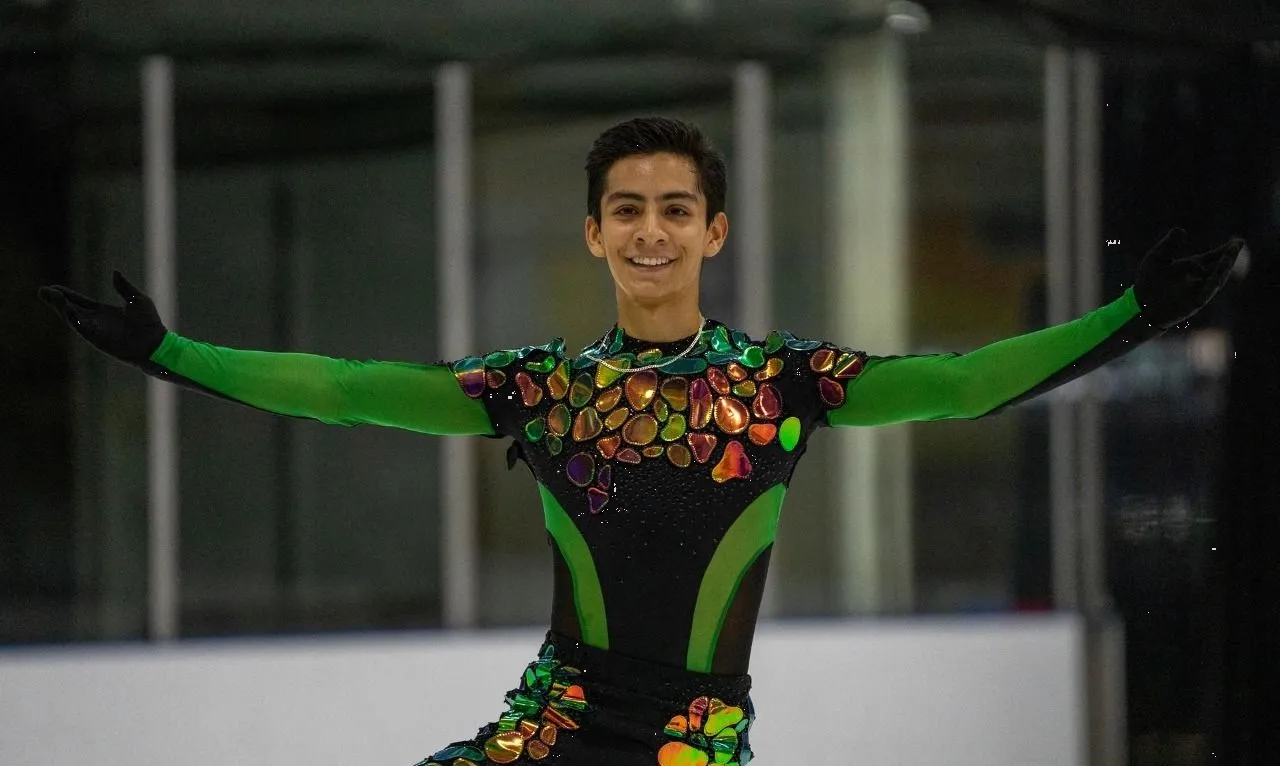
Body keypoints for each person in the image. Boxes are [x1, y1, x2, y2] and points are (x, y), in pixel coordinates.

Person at [40, 116, 1243, 766]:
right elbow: (350, 389)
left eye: (674, 208)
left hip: (692, 737)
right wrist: (169, 352)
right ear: (594, 234)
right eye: (628, 209)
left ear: (711, 228)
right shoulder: (539, 390)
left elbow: (961, 381)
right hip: (554, 718)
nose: (651, 229)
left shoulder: (781, 384)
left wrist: (1132, 313)